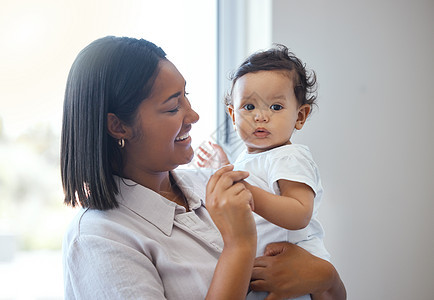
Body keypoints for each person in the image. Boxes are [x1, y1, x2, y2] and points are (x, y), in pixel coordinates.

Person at [61, 36, 346, 299]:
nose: (194, 115)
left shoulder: (212, 184)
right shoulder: (99, 238)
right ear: (118, 126)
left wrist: (326, 277)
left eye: (186, 95)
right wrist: (239, 246)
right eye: (173, 107)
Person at [197, 45, 333, 299]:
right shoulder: (249, 158)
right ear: (233, 116)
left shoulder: (289, 156)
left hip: (294, 276)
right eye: (248, 108)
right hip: (262, 273)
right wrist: (222, 165)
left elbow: (300, 213)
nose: (260, 116)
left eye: (276, 107)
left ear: (300, 116)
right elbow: (248, 177)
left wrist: (247, 193)